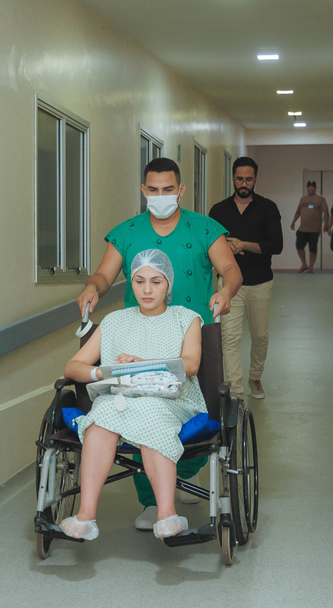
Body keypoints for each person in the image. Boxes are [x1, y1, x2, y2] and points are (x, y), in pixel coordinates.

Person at [76, 156, 242, 531]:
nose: (161, 195)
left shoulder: (205, 228)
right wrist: (92, 288)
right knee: (138, 407)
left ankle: (184, 467)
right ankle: (152, 501)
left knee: (197, 405)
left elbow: (230, 268)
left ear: (180, 190)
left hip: (190, 333)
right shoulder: (127, 232)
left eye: (168, 189)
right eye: (153, 189)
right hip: (139, 332)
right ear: (143, 190)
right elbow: (103, 275)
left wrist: (226, 290)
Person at [59, 250, 206, 541]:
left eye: (156, 282)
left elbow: (190, 364)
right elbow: (72, 367)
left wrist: (143, 364)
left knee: (151, 412)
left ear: (168, 283)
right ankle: (85, 515)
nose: (147, 290)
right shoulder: (114, 321)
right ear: (131, 284)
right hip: (120, 398)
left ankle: (166, 513)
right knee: (100, 417)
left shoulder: (186, 318)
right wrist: (102, 373)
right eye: (139, 282)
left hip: (170, 400)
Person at [208, 156, 282, 400]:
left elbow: (277, 245)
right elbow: (208, 244)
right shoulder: (218, 210)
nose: (244, 183)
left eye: (249, 179)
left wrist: (244, 245)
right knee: (230, 338)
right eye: (240, 178)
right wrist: (223, 247)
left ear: (255, 179)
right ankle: (235, 391)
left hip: (260, 282)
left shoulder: (268, 208)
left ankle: (255, 377)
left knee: (260, 336)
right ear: (233, 178)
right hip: (229, 287)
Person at [289, 180, 328, 273]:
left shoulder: (320, 199)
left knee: (312, 249)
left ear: (315, 188)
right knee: (299, 246)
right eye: (309, 187)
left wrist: (326, 224)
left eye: (312, 187)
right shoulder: (303, 199)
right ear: (307, 188)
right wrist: (293, 222)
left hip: (314, 229)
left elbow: (326, 212)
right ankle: (304, 264)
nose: (311, 188)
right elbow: (298, 211)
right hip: (303, 229)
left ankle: (311, 267)